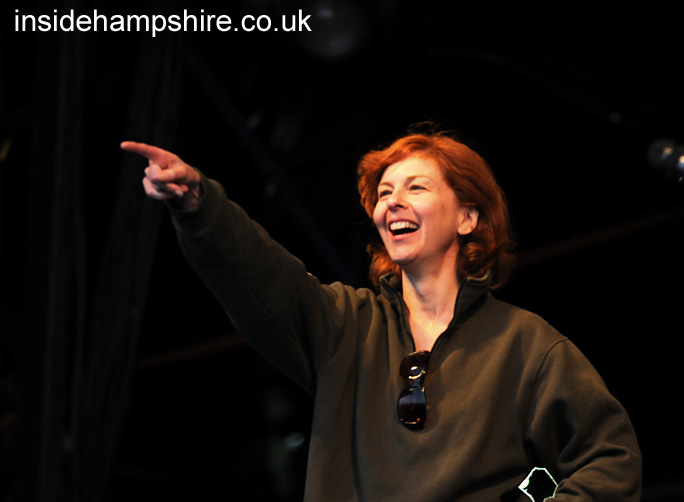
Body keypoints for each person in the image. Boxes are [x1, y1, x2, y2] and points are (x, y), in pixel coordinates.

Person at [121, 129, 642, 501]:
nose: (391, 203)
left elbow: (610, 460)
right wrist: (199, 205)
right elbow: (259, 274)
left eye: (416, 187)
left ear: (467, 216)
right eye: (384, 193)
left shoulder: (525, 344)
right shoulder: (347, 326)